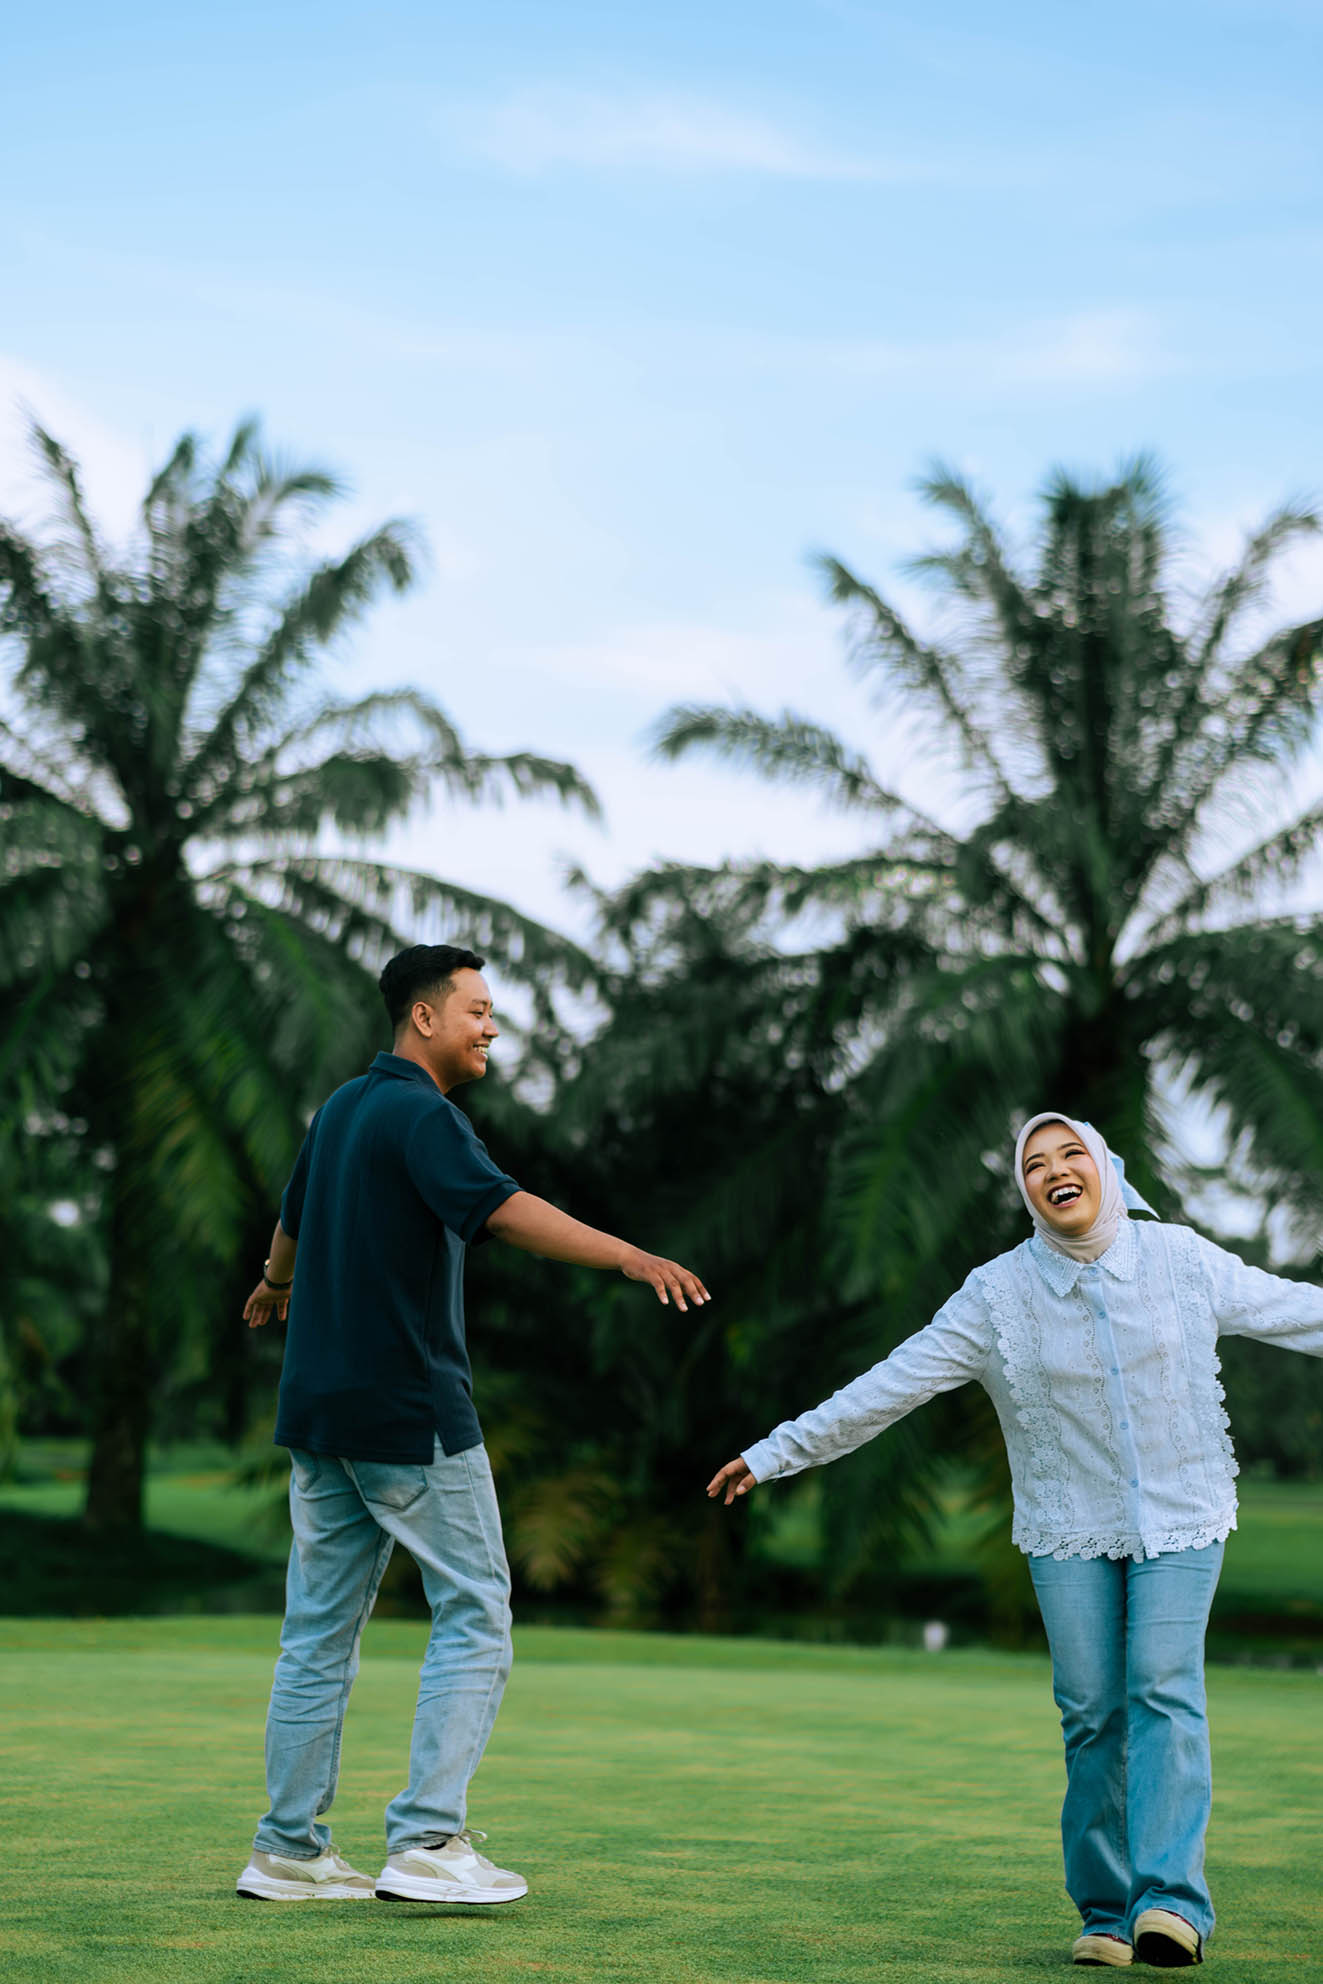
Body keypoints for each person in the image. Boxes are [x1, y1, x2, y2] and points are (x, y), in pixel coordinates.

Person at [708, 1112, 1323, 1970]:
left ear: (1105, 1168)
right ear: (1024, 1190)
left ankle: (1170, 1906)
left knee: (1161, 1687)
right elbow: (891, 1383)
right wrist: (777, 1451)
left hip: (1181, 1516)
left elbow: (1300, 1311)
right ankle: (1105, 1914)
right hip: (1066, 1527)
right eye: (1035, 1163)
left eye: (1071, 1153)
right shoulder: (995, 1295)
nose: (1054, 1169)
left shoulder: (1181, 1260)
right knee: (1090, 1712)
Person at [236, 943, 709, 1906]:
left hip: (320, 1417)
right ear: (424, 1017)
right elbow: (503, 1209)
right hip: (409, 1416)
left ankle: (287, 1851)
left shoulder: (341, 1109)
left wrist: (275, 1284)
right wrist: (627, 1256)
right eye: (478, 1010)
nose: (492, 1026)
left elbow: (291, 1219)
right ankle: (426, 1842)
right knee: (476, 1608)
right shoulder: (423, 1115)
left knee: (317, 1635)